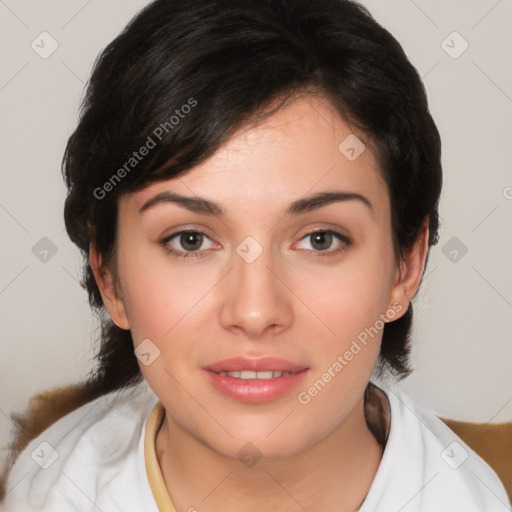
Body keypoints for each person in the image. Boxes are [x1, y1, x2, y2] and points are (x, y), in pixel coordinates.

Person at [0, 0, 509, 510]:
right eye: (190, 240)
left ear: (405, 266)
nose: (255, 312)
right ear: (109, 276)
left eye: (320, 239)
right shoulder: (46, 486)